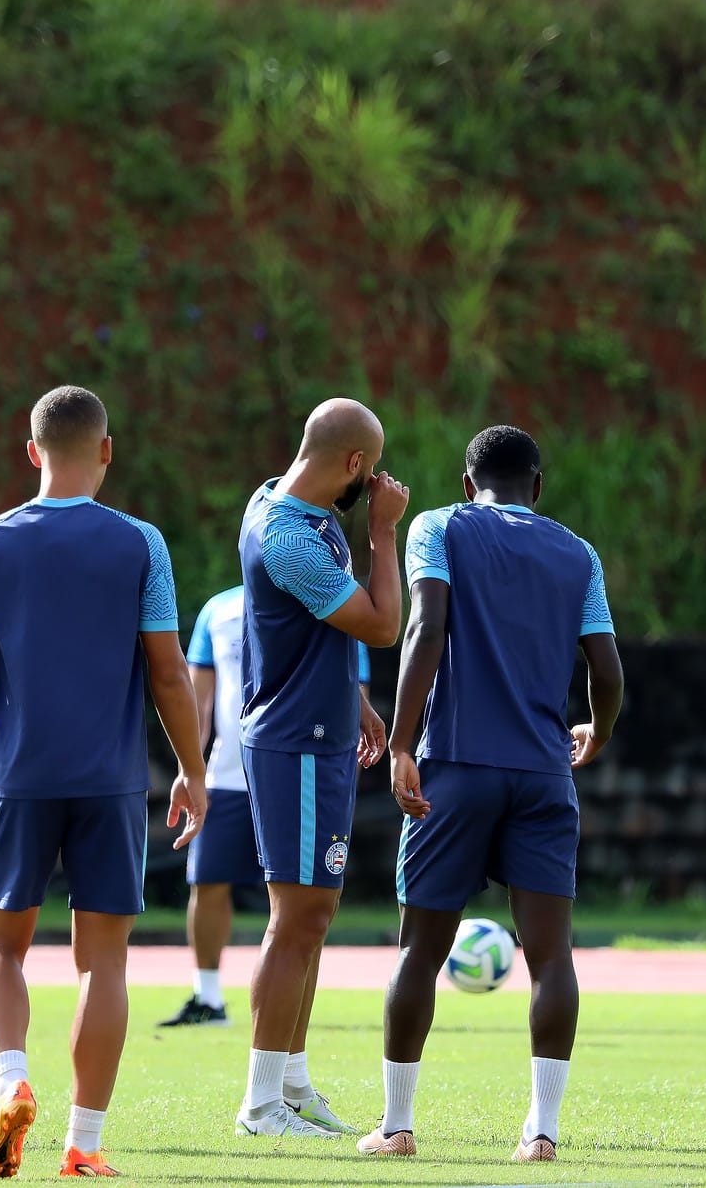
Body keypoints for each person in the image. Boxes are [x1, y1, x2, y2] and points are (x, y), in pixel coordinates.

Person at [0, 385, 208, 1179]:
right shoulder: (142, 544)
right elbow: (168, 673)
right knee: (104, 963)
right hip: (111, 782)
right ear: (106, 449)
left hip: (19, 778)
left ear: (31, 451)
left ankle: (11, 1079)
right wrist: (193, 770)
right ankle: (84, 1142)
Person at [362, 425, 624, 1163]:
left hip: (457, 765)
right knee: (551, 956)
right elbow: (606, 667)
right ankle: (540, 1131)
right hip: (544, 772)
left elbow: (427, 625)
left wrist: (405, 741)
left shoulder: (439, 524)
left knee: (420, 950)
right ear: (537, 487)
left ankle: (398, 1124)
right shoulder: (578, 552)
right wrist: (597, 730)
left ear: (467, 480)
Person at [233, 398, 407, 1139]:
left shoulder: (289, 502)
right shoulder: (291, 536)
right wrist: (383, 530)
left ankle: (294, 1083)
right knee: (295, 918)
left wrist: (355, 697)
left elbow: (315, 633)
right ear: (355, 466)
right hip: (295, 741)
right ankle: (261, 1104)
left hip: (322, 728)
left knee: (315, 915)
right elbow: (383, 622)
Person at [160, 587, 370, 1029]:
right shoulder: (217, 609)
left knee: (301, 894)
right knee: (208, 881)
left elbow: (354, 684)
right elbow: (198, 700)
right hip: (227, 777)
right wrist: (189, 768)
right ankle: (208, 997)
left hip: (299, 767)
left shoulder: (324, 591)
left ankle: (291, 1002)